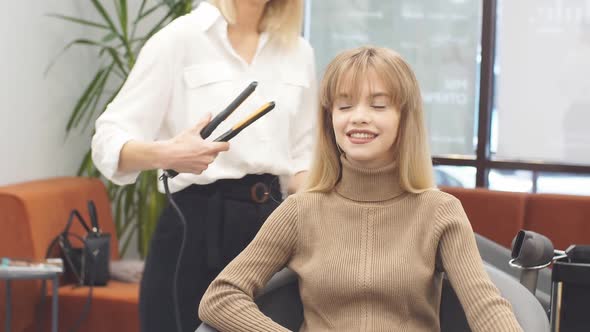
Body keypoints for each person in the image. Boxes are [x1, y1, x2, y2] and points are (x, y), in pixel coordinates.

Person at [198, 46, 523, 331]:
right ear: (330, 120)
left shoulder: (439, 211)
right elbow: (221, 296)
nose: (359, 118)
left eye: (379, 106)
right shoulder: (300, 210)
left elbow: (485, 306)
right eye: (344, 106)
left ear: (404, 119)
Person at [91, 0, 316, 331]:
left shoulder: (299, 51)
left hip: (271, 229)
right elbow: (108, 138)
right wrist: (168, 154)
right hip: (194, 227)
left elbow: (304, 156)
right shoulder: (180, 38)